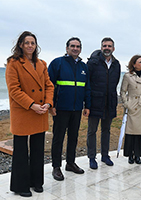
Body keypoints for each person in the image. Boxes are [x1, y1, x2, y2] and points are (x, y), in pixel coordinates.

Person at [5, 31, 54, 197]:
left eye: (32, 43)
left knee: (38, 149)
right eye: (27, 43)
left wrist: (48, 103)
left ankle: (36, 182)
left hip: (40, 111)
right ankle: (20, 186)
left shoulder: (42, 63)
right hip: (24, 111)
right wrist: (32, 105)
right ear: (20, 44)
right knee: (20, 151)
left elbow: (49, 85)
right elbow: (14, 90)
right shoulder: (13, 63)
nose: (30, 46)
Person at [48, 37, 91, 181]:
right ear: (67, 48)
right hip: (60, 108)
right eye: (72, 46)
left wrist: (87, 106)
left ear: (80, 49)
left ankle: (70, 163)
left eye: (78, 46)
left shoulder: (84, 67)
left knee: (73, 137)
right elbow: (50, 86)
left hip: (77, 109)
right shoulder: (57, 63)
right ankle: (56, 167)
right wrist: (51, 105)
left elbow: (87, 88)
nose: (75, 48)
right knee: (58, 138)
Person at [87, 37, 121, 168]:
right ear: (101, 47)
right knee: (92, 131)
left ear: (113, 48)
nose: (107, 48)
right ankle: (91, 157)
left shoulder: (116, 64)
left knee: (106, 130)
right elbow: (88, 83)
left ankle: (105, 155)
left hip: (109, 102)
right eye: (104, 46)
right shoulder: (93, 62)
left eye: (109, 46)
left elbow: (115, 83)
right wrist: (87, 104)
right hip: (95, 102)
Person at [120, 55, 141, 164]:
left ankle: (138, 155)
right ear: (133, 64)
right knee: (130, 132)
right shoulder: (127, 76)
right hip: (133, 105)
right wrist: (127, 104)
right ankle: (130, 154)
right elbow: (123, 91)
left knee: (139, 133)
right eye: (140, 62)